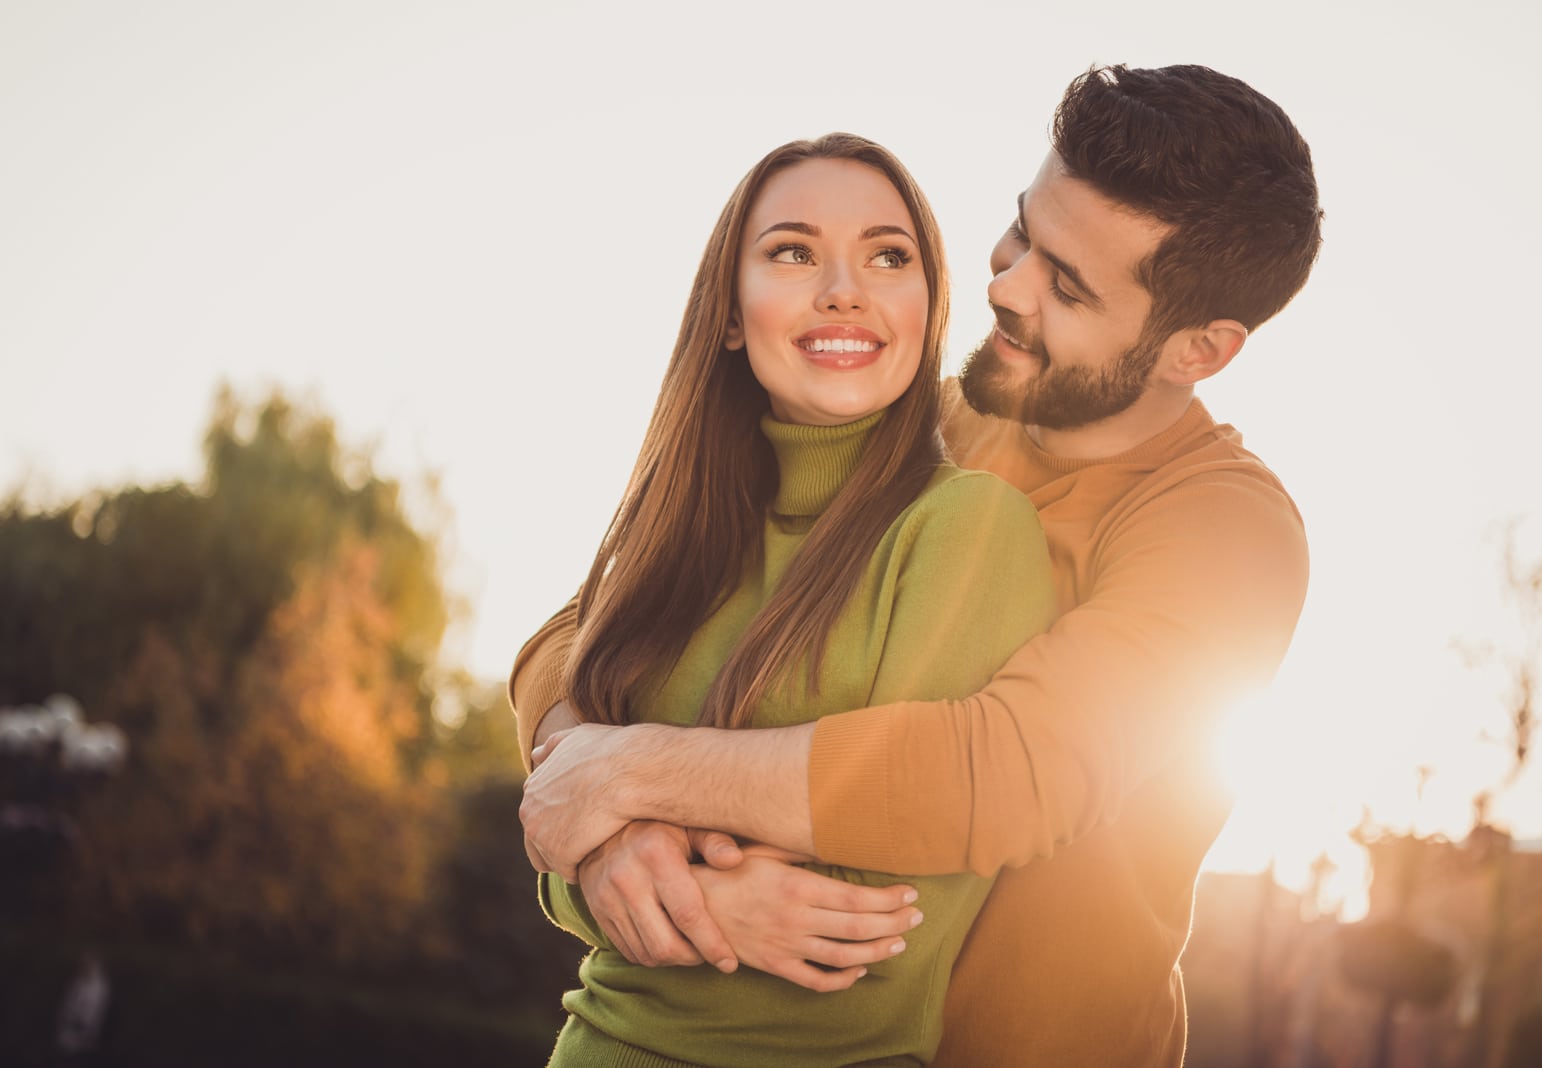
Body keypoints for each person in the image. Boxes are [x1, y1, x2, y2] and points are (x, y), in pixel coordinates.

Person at [518, 63, 1321, 1067]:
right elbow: (589, 627)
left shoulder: (1227, 534)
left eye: (1065, 285)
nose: (1004, 286)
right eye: (1023, 231)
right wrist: (606, 838)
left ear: (1197, 352)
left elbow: (1001, 770)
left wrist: (631, 770)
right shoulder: (920, 422)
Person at [533, 131, 1057, 1066]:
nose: (843, 288)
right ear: (731, 314)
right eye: (792, 251)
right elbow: (557, 819)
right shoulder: (677, 538)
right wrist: (604, 862)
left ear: (928, 307)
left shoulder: (970, 528)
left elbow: (877, 922)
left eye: (888, 256)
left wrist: (628, 827)